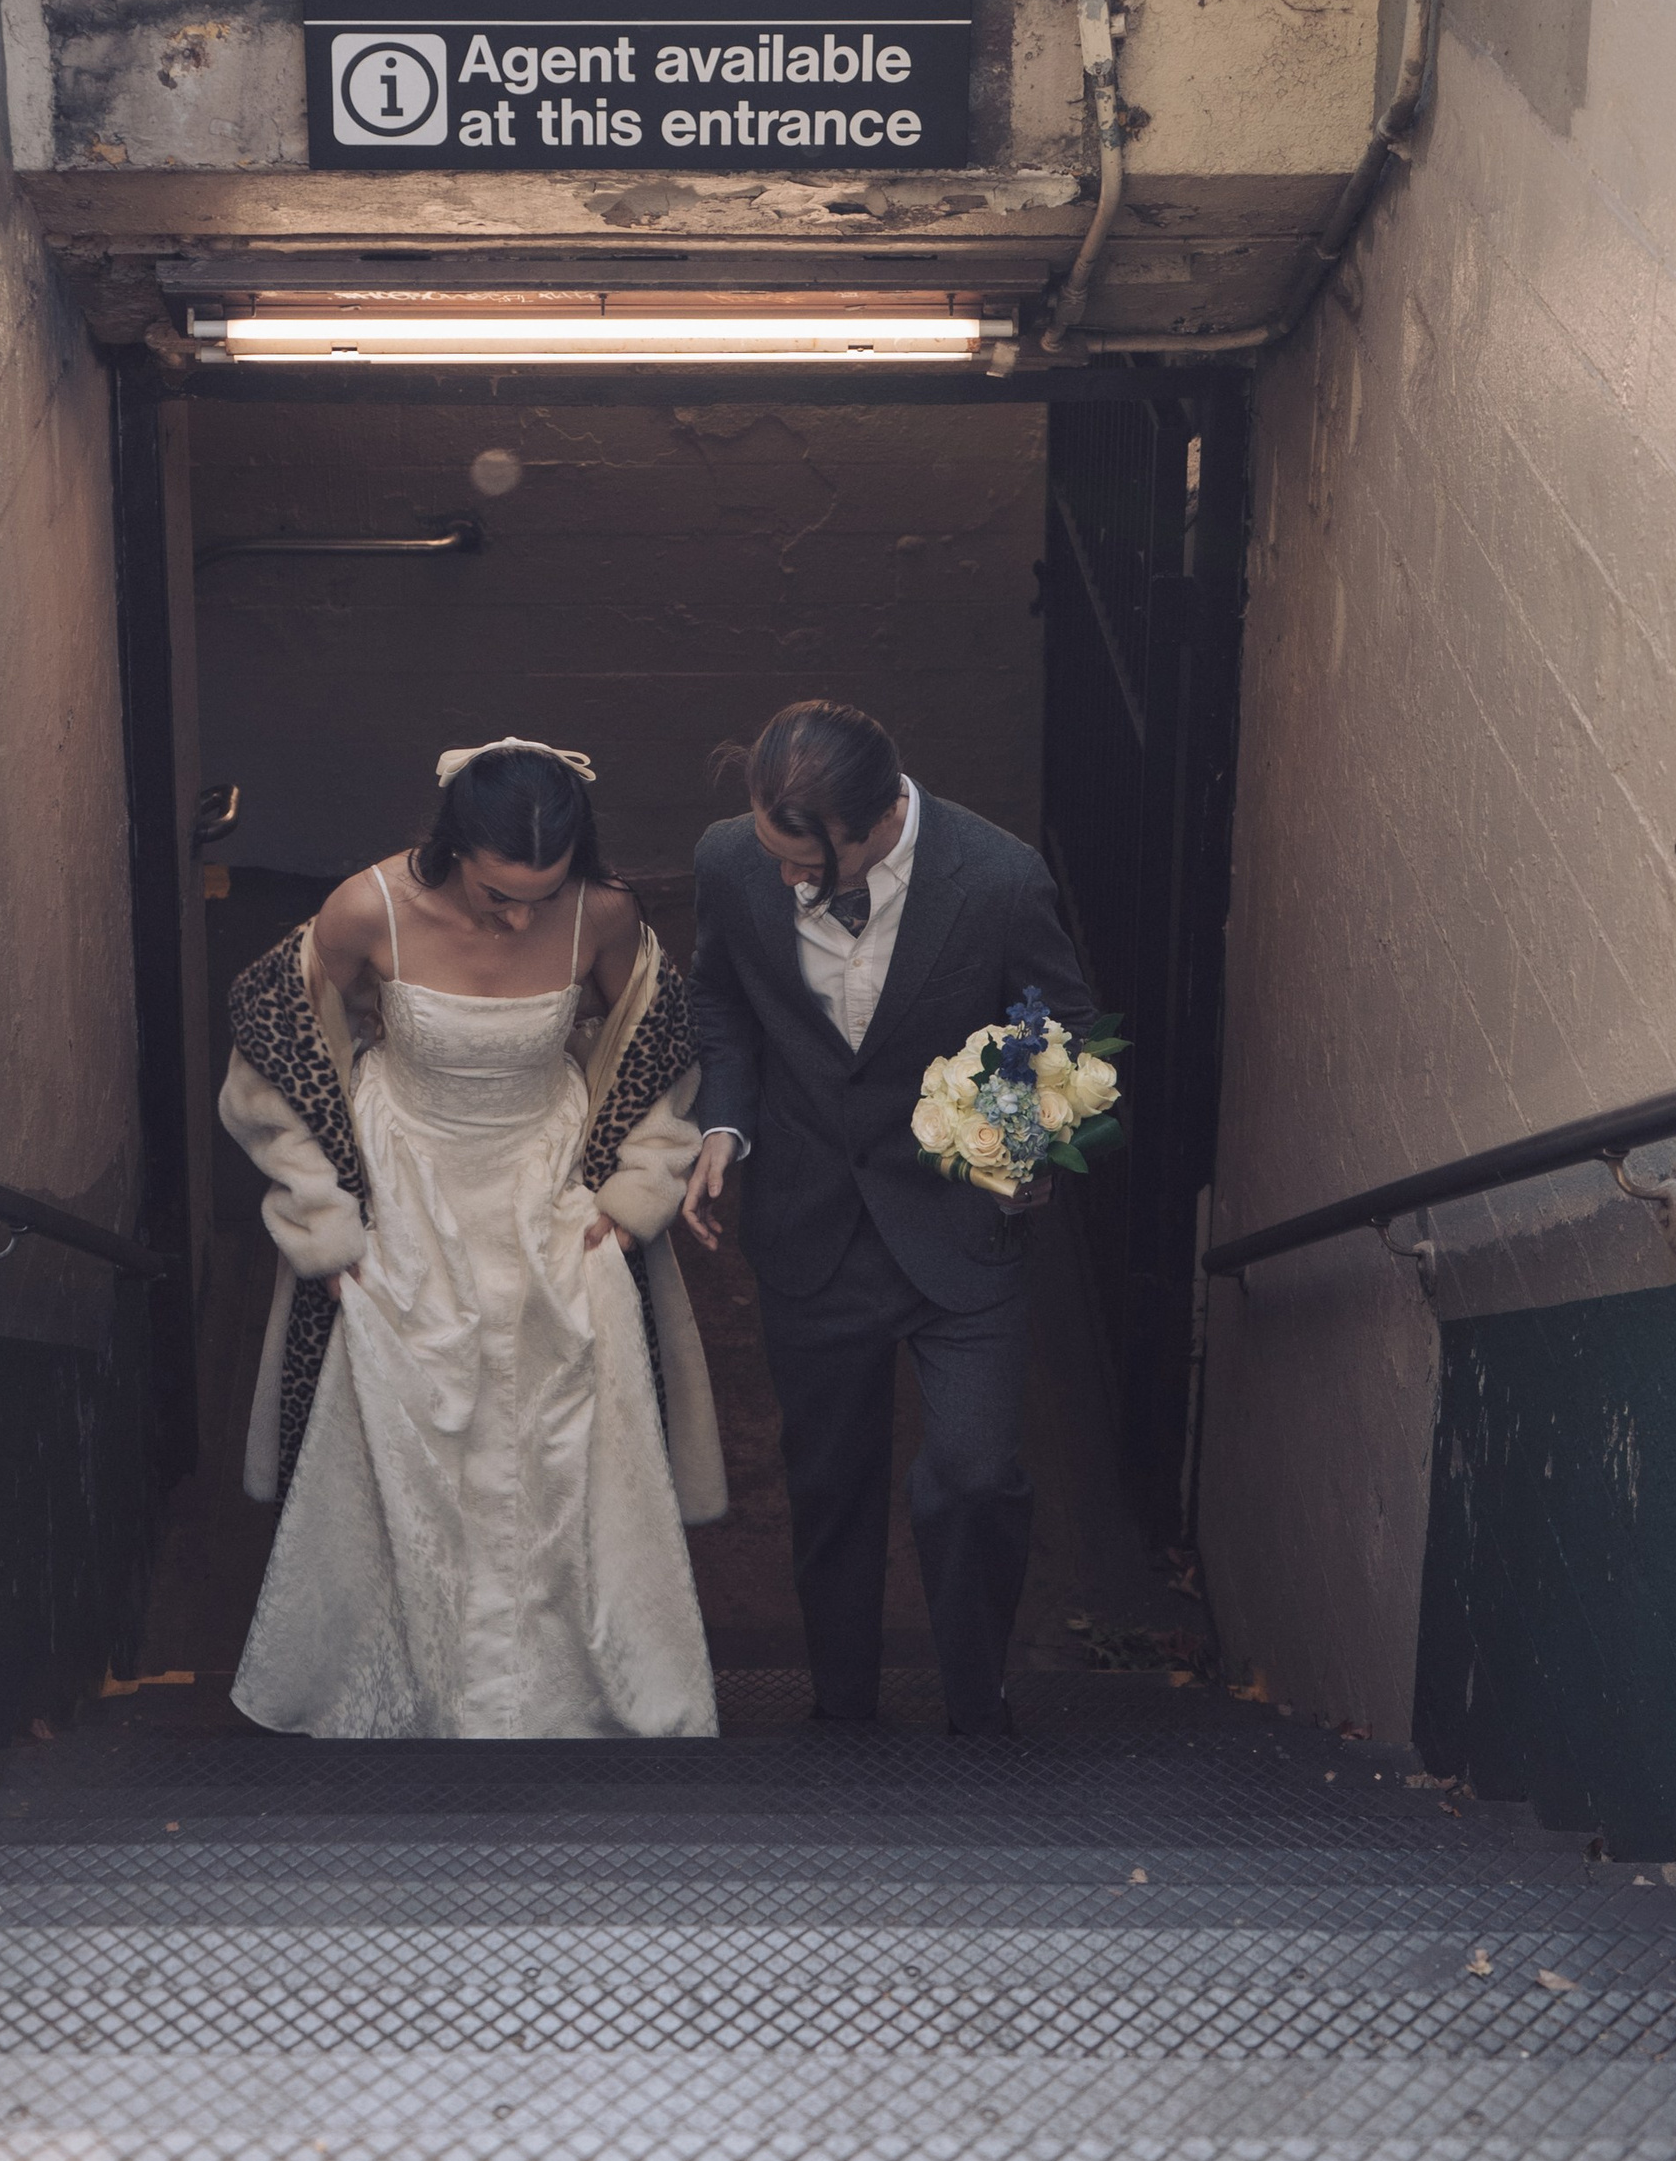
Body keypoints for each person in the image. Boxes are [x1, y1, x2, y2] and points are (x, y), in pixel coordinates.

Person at [223, 737, 723, 1738]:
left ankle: (572, 1694)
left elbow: (661, 1048)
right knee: (415, 1432)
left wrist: (636, 1193)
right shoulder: (364, 909)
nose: (521, 916)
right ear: (453, 848)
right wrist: (324, 1218)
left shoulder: (606, 912)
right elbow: (271, 1054)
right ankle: (417, 1691)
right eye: (501, 892)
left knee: (566, 1427)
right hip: (406, 1186)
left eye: (543, 894)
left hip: (547, 1185)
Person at [681, 702, 1096, 1738]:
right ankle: (843, 1716)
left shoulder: (998, 881)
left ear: (871, 826)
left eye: (803, 863)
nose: (781, 878)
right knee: (829, 1484)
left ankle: (974, 1705)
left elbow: (1066, 1029)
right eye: (771, 855)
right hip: (810, 1224)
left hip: (958, 1230)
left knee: (972, 1474)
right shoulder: (730, 861)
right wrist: (724, 1124)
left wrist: (1015, 1146)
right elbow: (721, 999)